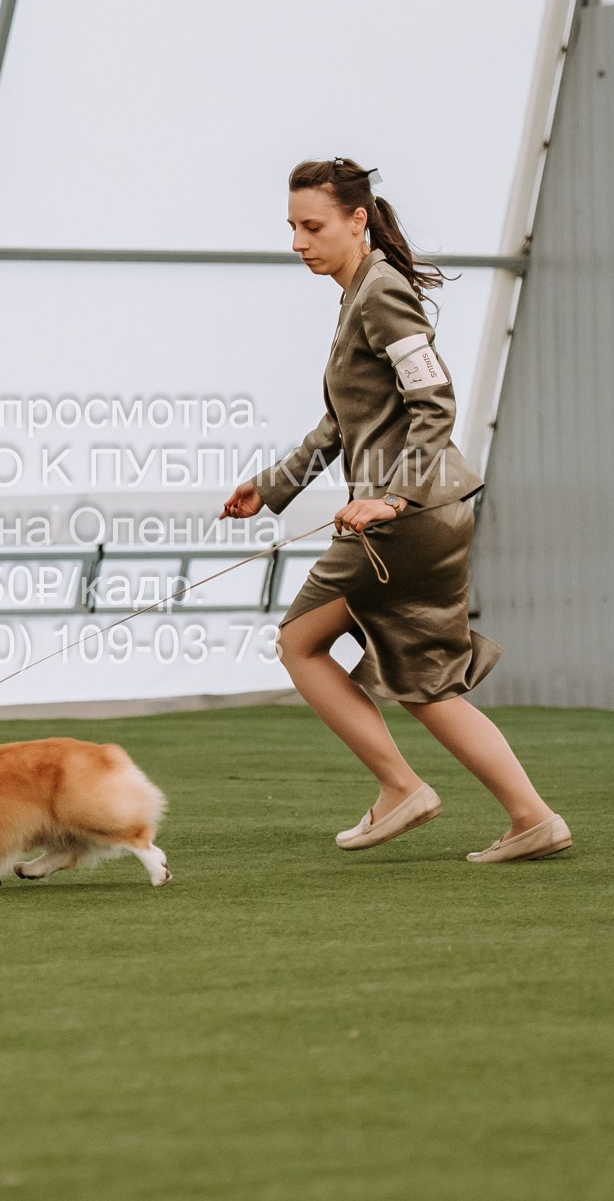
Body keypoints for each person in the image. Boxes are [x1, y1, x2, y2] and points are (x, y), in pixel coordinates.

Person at [220, 157, 571, 863]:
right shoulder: (358, 294)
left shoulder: (379, 294)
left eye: (311, 225)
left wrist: (392, 498)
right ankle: (532, 816)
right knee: (424, 683)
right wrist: (273, 485)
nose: (297, 241)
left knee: (300, 644)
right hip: (424, 516)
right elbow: (342, 423)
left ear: (358, 219)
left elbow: (433, 400)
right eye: (291, 226)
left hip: (402, 521)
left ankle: (401, 787)